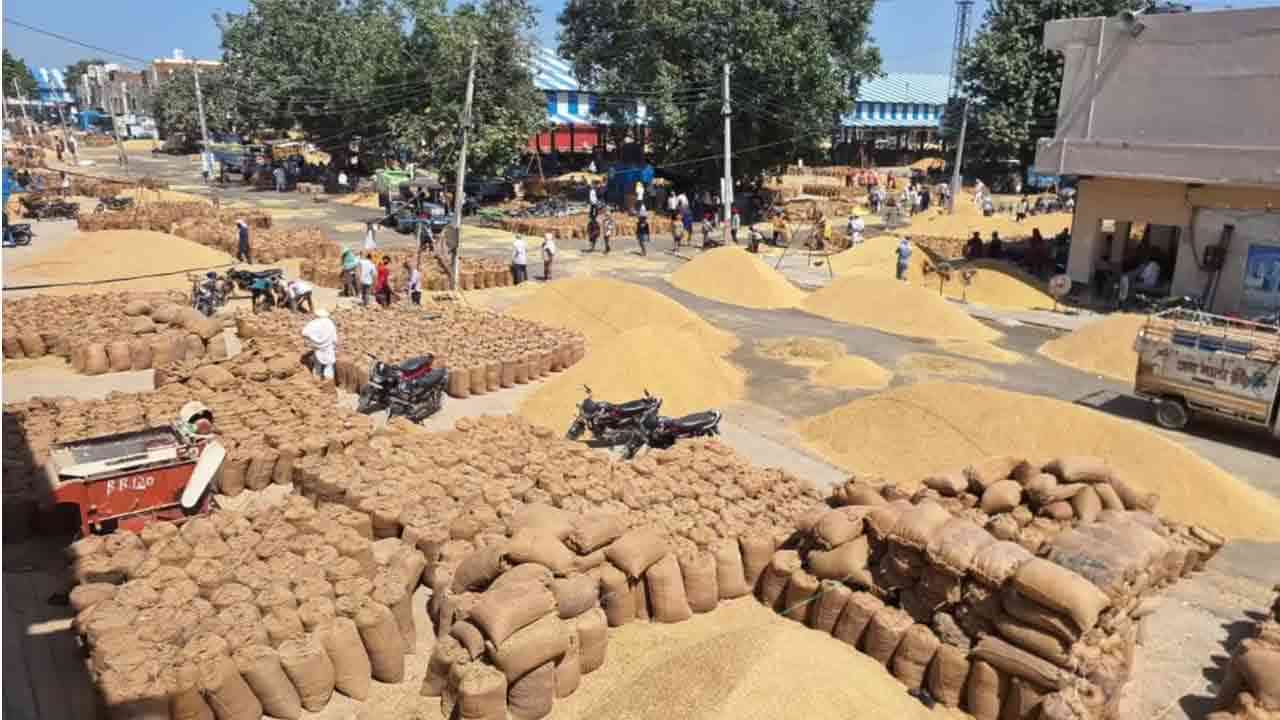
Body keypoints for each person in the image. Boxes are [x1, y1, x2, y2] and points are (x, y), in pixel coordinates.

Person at [301, 308, 338, 381]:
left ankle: (317, 382)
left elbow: (304, 332)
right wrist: (334, 344)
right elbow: (334, 338)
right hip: (328, 348)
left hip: (318, 348)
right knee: (329, 366)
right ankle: (328, 384)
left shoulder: (314, 323)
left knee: (317, 365)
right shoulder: (330, 323)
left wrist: (313, 339)